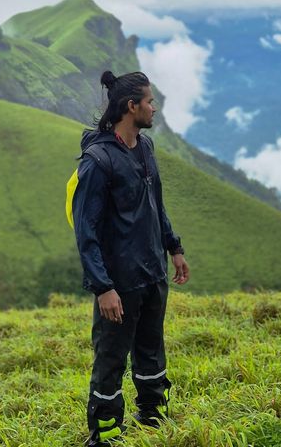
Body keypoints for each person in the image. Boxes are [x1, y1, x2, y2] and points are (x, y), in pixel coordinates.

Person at [73, 70, 190, 446]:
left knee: (152, 352)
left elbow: (155, 203)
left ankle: (154, 420)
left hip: (153, 274)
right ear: (131, 106)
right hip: (119, 284)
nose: (154, 108)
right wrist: (103, 287)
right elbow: (86, 233)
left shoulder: (146, 148)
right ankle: (105, 437)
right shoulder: (97, 160)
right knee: (110, 360)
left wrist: (174, 248)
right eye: (150, 102)